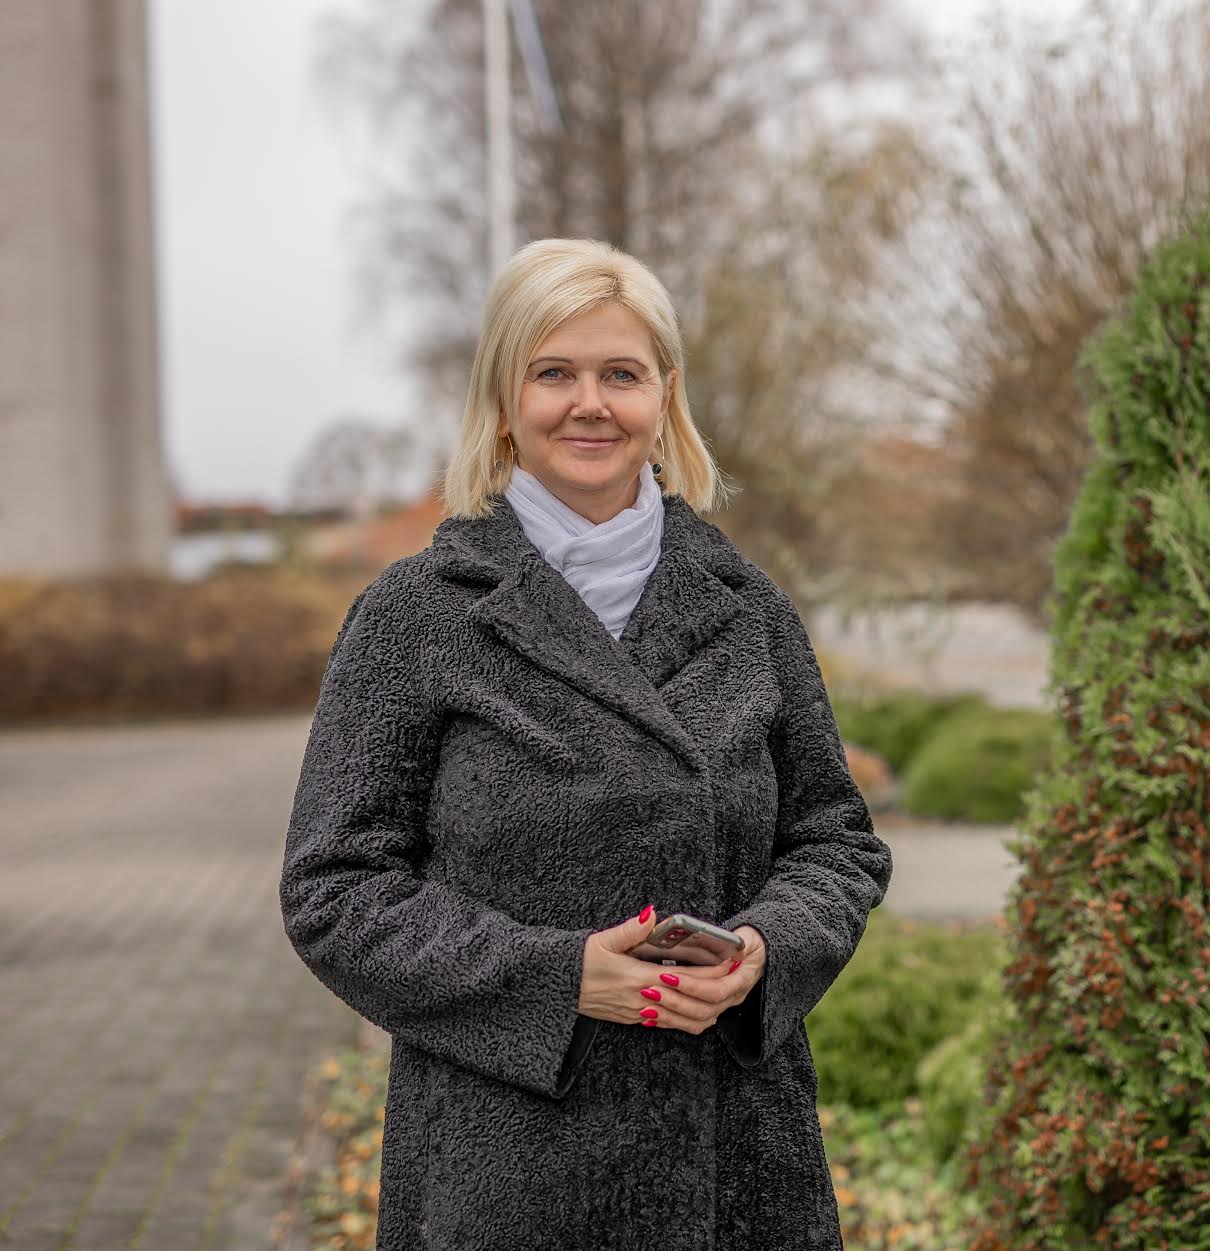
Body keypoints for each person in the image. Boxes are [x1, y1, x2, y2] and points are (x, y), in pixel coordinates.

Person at [279, 237, 892, 1249]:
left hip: (734, 1162)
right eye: (553, 372)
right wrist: (559, 979)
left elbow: (835, 842)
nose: (589, 403)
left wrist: (765, 949)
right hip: (505, 1169)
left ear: (664, 396)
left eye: (621, 373)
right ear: (504, 400)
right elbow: (334, 891)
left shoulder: (750, 610)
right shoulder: (417, 616)